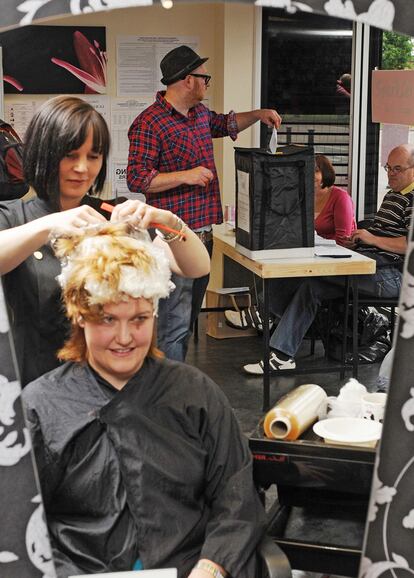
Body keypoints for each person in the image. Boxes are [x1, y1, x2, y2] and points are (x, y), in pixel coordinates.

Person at [22, 222, 266, 578]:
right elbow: (20, 521)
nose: (125, 338)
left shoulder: (194, 394)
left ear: (154, 313)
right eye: (107, 319)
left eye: (139, 319)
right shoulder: (41, 406)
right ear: (80, 317)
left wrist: (212, 567)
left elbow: (238, 496)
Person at [0, 95, 210, 386]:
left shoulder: (114, 214)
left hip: (112, 387)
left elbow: (196, 266)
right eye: (70, 155)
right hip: (39, 387)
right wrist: (48, 225)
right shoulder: (15, 218)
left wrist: (170, 222)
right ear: (43, 154)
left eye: (93, 156)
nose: (83, 168)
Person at [127, 44, 282, 362]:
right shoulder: (149, 123)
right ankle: (170, 391)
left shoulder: (198, 115)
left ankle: (172, 383)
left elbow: (225, 124)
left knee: (188, 315)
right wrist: (186, 175)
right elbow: (137, 179)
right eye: (204, 76)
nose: (207, 82)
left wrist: (259, 114)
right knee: (176, 322)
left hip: (204, 233)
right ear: (186, 80)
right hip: (172, 237)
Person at [244, 144, 414, 374]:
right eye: (388, 167)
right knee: (302, 278)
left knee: (312, 281)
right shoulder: (393, 194)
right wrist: (360, 241)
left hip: (394, 275)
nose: (390, 173)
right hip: (373, 261)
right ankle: (290, 332)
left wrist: (372, 239)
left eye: (397, 169)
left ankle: (283, 346)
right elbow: (383, 235)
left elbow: (409, 245)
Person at [225, 154, 355, 331]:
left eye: (315, 171)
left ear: (326, 173)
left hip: (334, 262)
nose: (310, 175)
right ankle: (264, 315)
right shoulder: (302, 196)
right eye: (305, 171)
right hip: (309, 256)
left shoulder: (340, 197)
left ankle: (261, 315)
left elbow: (344, 239)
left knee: (292, 276)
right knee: (281, 272)